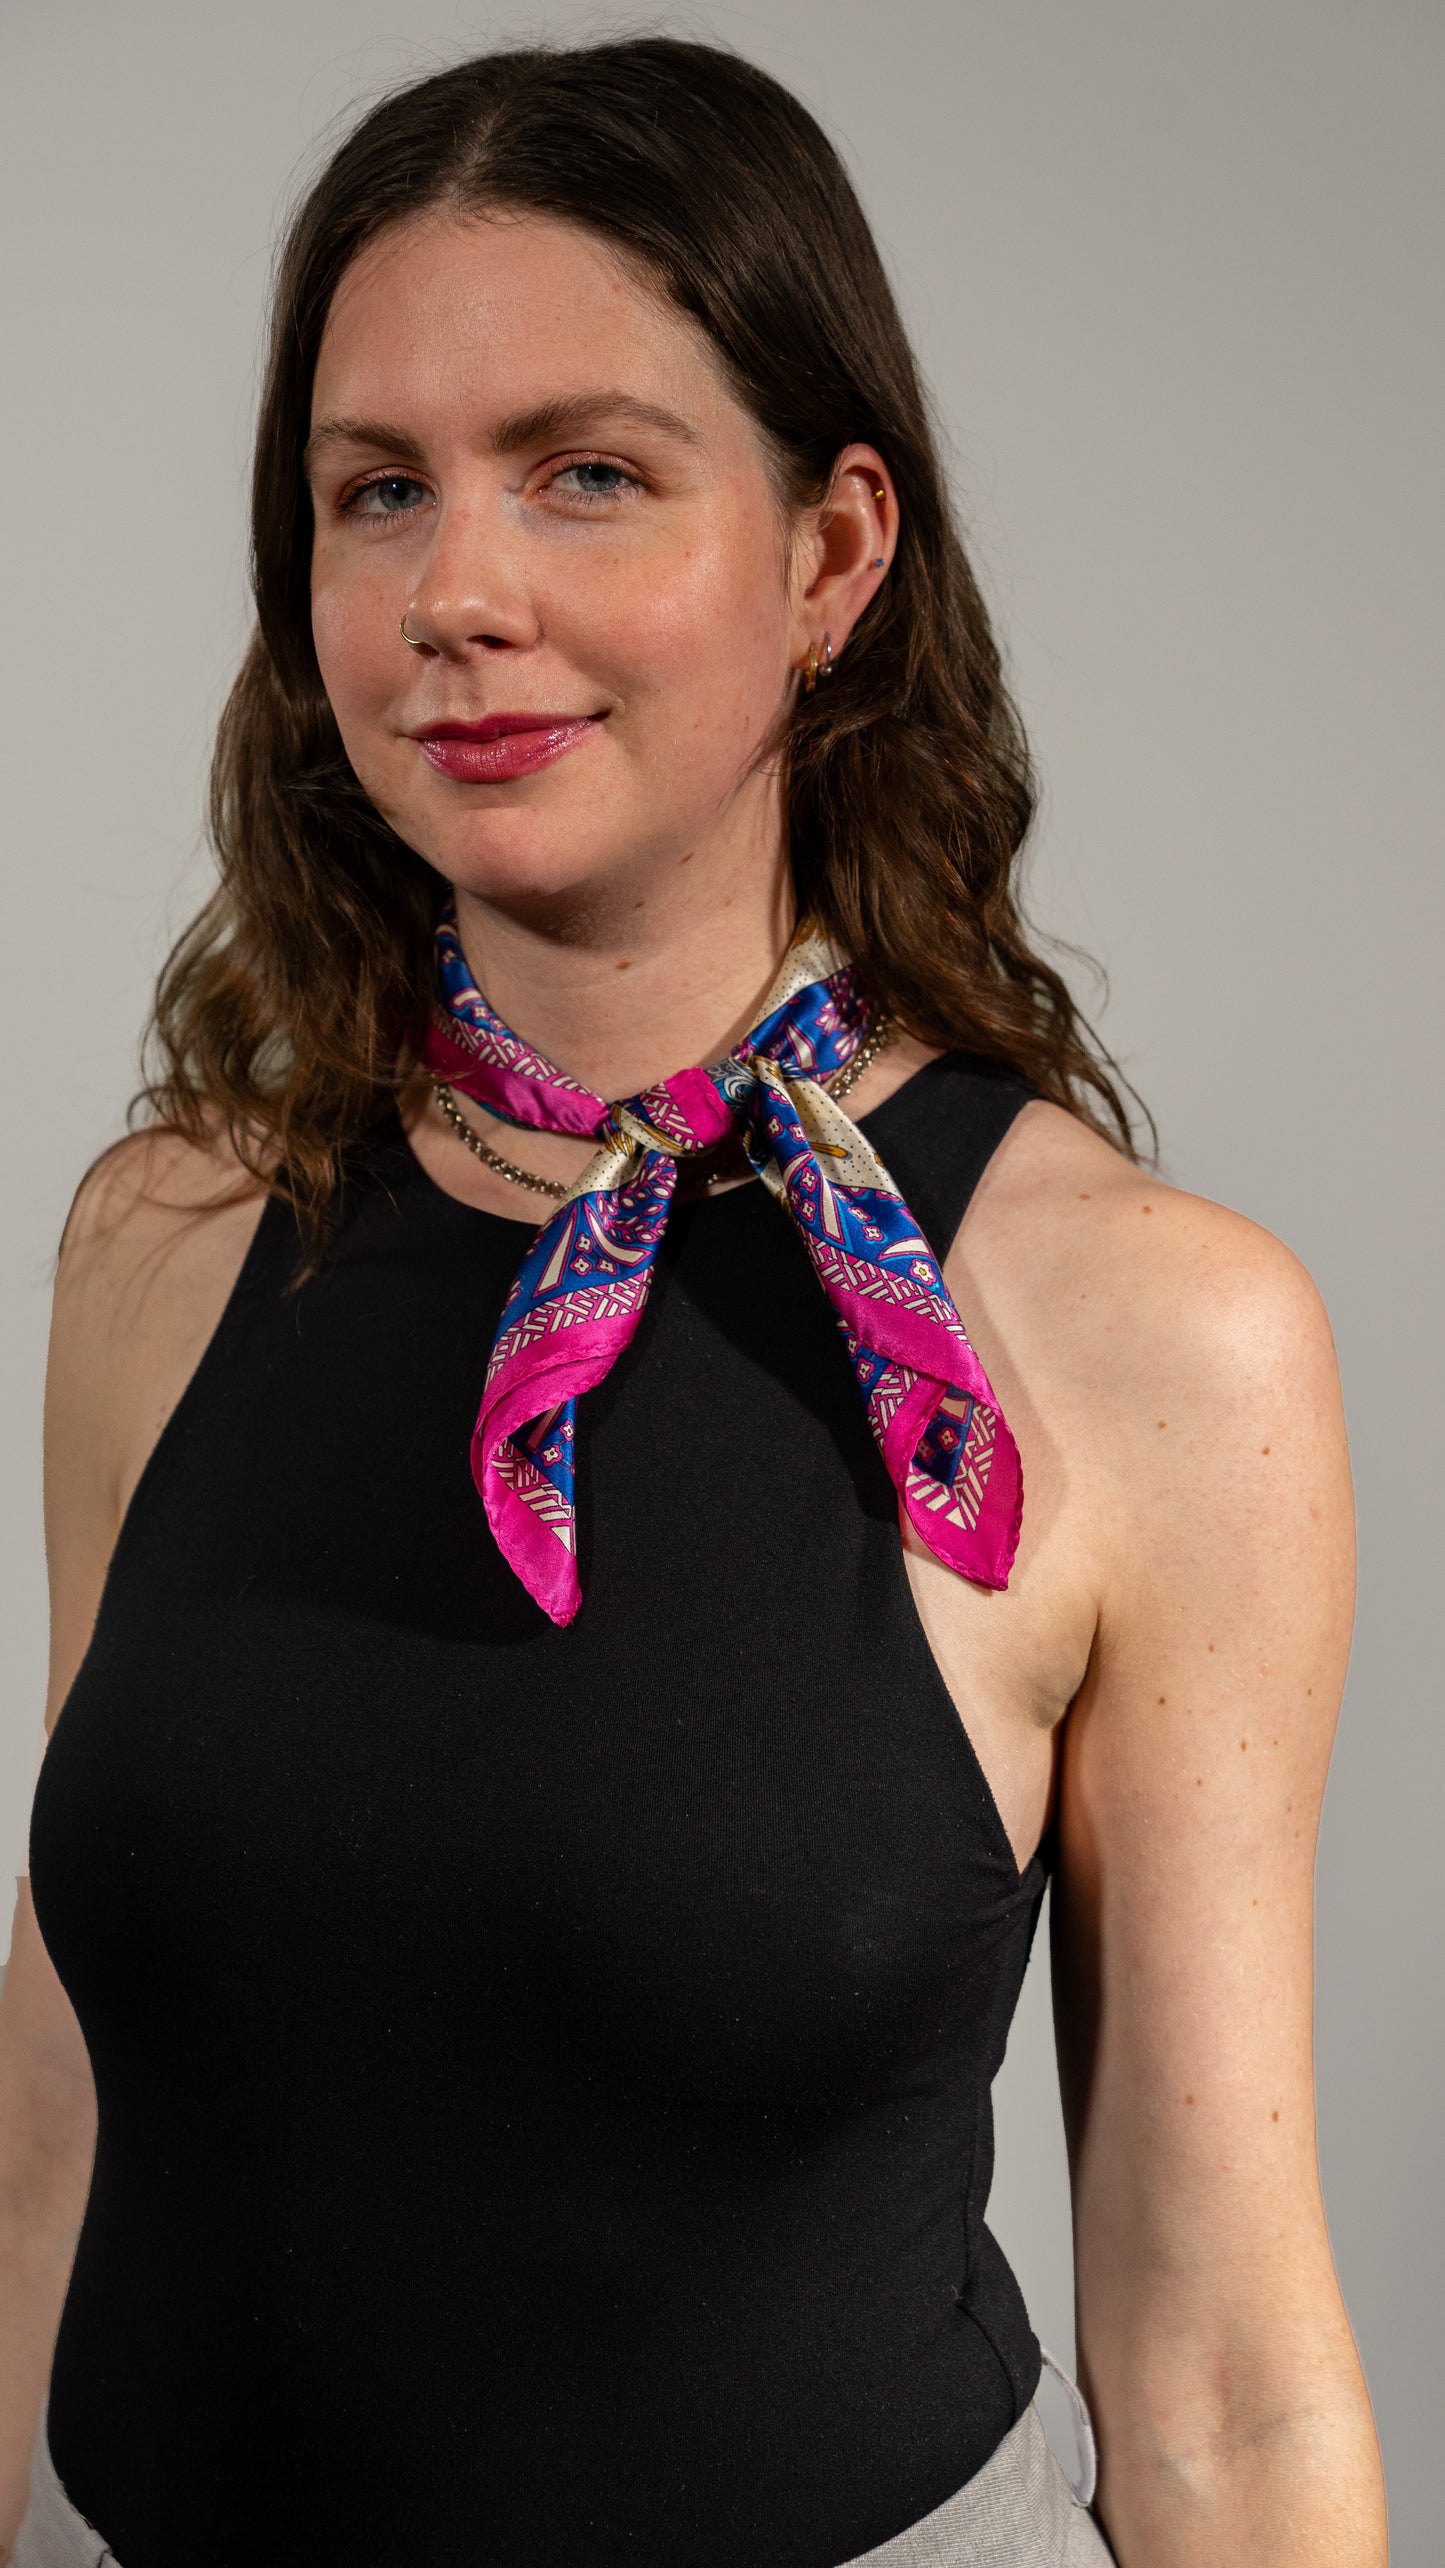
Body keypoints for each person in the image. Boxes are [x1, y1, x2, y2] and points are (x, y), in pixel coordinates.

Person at [0, 36, 1385, 2568]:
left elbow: (1220, 2362)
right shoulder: (165, 1251)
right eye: (375, 492)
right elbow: (59, 2125)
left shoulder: (1153, 1343)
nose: (458, 595)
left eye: (589, 474)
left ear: (836, 556)